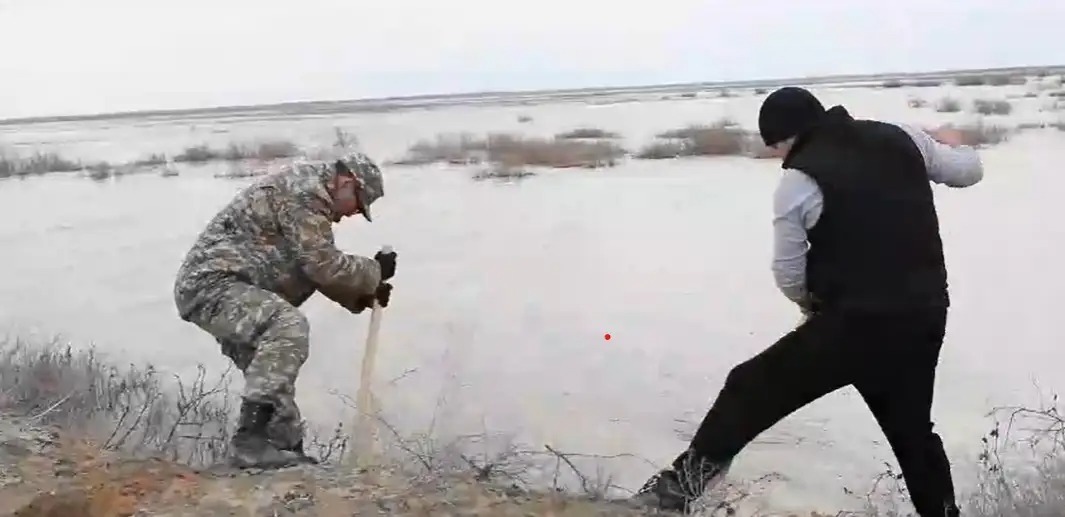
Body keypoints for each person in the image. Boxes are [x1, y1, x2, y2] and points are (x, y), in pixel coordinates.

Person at [631, 86, 983, 516]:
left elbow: (789, 272)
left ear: (786, 137)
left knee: (749, 388)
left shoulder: (799, 179)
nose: (779, 156)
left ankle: (671, 496)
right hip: (924, 316)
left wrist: (812, 309)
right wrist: (955, 141)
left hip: (853, 325)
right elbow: (967, 171)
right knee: (913, 435)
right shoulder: (903, 136)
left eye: (776, 146)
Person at [172, 151, 397, 470]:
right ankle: (250, 443)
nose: (352, 214)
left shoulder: (313, 197)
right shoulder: (306, 192)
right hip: (213, 285)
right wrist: (373, 271)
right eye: (358, 205)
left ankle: (284, 453)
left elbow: (310, 268)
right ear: (348, 183)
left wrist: (364, 295)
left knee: (272, 374)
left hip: (235, 287)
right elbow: (322, 265)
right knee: (287, 328)